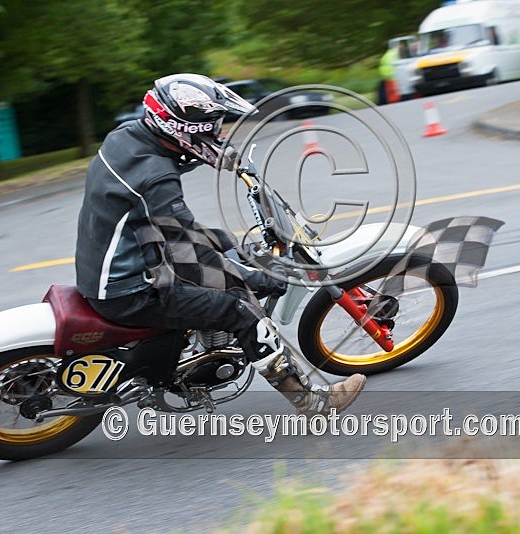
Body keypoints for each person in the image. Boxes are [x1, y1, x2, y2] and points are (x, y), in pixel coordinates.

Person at [74, 73, 366, 415]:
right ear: (181, 128)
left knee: (224, 240)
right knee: (240, 309)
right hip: (132, 288)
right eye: (210, 125)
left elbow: (174, 216)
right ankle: (312, 401)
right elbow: (188, 254)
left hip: (120, 257)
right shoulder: (157, 178)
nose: (217, 131)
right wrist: (255, 278)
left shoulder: (126, 138)